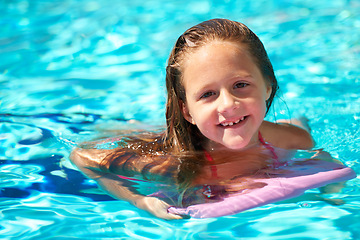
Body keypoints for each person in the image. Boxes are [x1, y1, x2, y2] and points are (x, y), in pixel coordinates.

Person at [70, 19, 314, 220]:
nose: (228, 104)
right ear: (187, 112)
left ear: (268, 87)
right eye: (208, 94)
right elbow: (82, 156)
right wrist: (139, 200)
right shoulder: (174, 164)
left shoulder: (288, 138)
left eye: (240, 85)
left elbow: (307, 138)